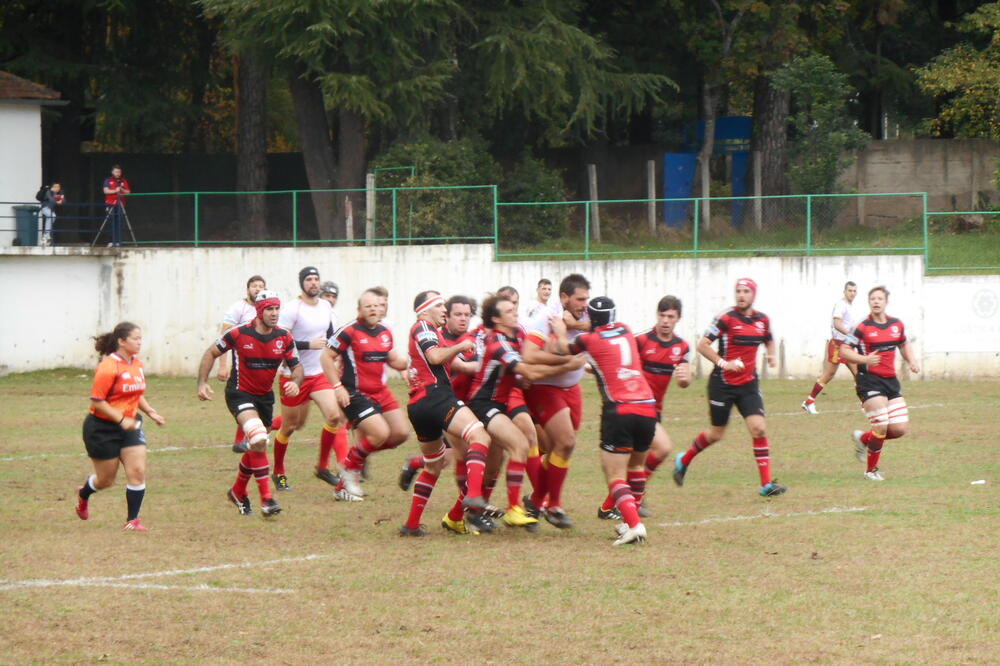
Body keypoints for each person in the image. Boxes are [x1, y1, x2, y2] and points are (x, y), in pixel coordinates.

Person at [463, 294, 582, 530]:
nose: (515, 313)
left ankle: (494, 508)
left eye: (515, 308)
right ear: (496, 319)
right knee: (519, 445)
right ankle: (512, 509)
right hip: (484, 404)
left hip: (503, 402)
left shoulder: (517, 333)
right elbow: (531, 372)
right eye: (509, 311)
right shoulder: (498, 343)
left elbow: (532, 359)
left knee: (516, 449)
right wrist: (568, 364)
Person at [550, 297, 657, 546]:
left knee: (614, 474)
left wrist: (560, 329)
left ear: (590, 317)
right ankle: (629, 520)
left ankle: (634, 524)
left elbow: (561, 349)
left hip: (620, 409)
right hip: (646, 406)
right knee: (636, 467)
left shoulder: (589, 340)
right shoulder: (626, 330)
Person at [674, 278, 788, 497]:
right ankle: (684, 459)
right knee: (716, 434)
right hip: (722, 384)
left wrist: (772, 355)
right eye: (738, 291)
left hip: (748, 385)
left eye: (746, 291)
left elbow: (769, 339)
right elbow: (702, 345)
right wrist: (724, 363)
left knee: (759, 428)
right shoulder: (726, 318)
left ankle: (766, 485)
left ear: (754, 294)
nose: (741, 295)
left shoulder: (763, 320)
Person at [197, 290, 303, 517]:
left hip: (265, 397)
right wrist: (202, 383)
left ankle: (237, 491)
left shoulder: (284, 336)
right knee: (258, 438)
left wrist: (295, 381)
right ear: (259, 311)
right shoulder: (238, 333)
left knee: (257, 445)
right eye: (269, 309)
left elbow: (297, 367)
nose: (275, 314)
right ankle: (267, 499)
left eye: (277, 309)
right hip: (239, 393)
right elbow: (211, 353)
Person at [399, 290, 495, 537]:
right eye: (440, 305)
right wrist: (460, 345)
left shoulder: (434, 332)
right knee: (481, 437)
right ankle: (473, 496)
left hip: (419, 405)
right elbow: (434, 356)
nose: (445, 310)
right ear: (425, 308)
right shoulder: (423, 326)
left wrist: (489, 365)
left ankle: (411, 525)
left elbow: (457, 364)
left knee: (434, 466)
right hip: (436, 397)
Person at [597, 295, 690, 520]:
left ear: (678, 319)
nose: (665, 321)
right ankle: (628, 499)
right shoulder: (640, 341)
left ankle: (615, 503)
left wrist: (685, 377)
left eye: (671, 317)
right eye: (662, 315)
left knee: (641, 459)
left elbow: (685, 380)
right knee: (660, 449)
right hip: (631, 406)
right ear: (657, 316)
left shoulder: (681, 346)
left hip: (653, 411)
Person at [75, 322, 166, 531]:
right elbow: (98, 401)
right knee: (105, 480)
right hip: (101, 428)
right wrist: (121, 419)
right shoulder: (108, 367)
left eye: (141, 338)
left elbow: (136, 393)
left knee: (137, 471)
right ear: (121, 341)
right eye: (135, 339)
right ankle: (84, 493)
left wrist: (151, 412)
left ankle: (132, 521)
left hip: (130, 425)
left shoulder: (137, 364)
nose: (139, 342)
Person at [324, 289, 410, 501]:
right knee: (379, 434)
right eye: (368, 306)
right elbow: (326, 357)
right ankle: (350, 468)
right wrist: (337, 387)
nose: (374, 309)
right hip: (354, 393)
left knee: (400, 434)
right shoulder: (349, 331)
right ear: (359, 309)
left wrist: (410, 365)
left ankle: (349, 468)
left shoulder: (384, 332)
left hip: (381, 391)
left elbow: (393, 359)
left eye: (377, 306)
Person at [521, 273, 592, 528]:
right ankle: (553, 506)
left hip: (572, 389)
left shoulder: (586, 316)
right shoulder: (545, 320)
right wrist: (565, 361)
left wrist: (582, 326)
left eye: (587, 299)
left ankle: (536, 500)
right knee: (566, 442)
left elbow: (596, 328)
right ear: (564, 297)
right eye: (579, 299)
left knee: (560, 448)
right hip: (545, 388)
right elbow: (528, 355)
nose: (584, 304)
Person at [270, 266, 350, 492]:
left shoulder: (325, 306)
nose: (313, 283)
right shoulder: (292, 309)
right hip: (294, 376)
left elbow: (333, 336)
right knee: (290, 426)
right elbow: (280, 342)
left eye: (316, 279)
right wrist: (307, 345)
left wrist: (341, 355)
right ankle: (278, 472)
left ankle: (322, 466)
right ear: (301, 283)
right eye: (309, 279)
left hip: (318, 375)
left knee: (334, 416)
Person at [839, 286, 919, 480]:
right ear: (869, 302)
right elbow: (844, 350)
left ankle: (863, 438)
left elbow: (903, 343)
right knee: (881, 425)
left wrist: (912, 361)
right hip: (869, 382)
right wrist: (864, 360)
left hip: (890, 382)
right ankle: (870, 471)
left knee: (899, 429)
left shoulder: (896, 324)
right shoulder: (862, 326)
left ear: (886, 302)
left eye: (879, 298)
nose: (876, 301)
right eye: (872, 298)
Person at [217, 275, 267, 450]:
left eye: (261, 286)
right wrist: (223, 365)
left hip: (263, 365)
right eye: (254, 286)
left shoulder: (268, 311)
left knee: (256, 403)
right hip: (243, 364)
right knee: (246, 400)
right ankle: (242, 440)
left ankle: (245, 438)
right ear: (247, 289)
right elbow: (223, 337)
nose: (258, 289)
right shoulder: (238, 308)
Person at [802, 281, 859, 414]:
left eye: (854, 291)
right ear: (844, 291)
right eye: (850, 290)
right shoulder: (841, 305)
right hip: (838, 345)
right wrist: (850, 335)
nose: (852, 293)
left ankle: (865, 404)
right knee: (828, 375)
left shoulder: (850, 306)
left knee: (858, 374)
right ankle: (809, 402)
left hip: (846, 346)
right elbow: (837, 324)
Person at [102, 164, 130, 247]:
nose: (118, 173)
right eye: (116, 172)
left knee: (120, 222)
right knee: (110, 222)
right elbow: (105, 191)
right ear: (112, 172)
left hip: (120, 204)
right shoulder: (108, 180)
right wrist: (115, 190)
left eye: (119, 172)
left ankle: (118, 241)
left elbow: (128, 192)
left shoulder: (123, 181)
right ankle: (111, 241)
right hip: (110, 203)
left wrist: (121, 189)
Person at [38, 182, 65, 247]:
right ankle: (46, 234)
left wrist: (61, 200)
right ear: (52, 187)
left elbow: (63, 201)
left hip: (50, 209)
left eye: (58, 187)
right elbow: (51, 199)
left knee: (51, 217)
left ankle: (46, 236)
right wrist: (57, 201)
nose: (57, 188)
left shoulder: (60, 192)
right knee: (52, 216)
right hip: (45, 208)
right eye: (55, 187)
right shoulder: (48, 191)